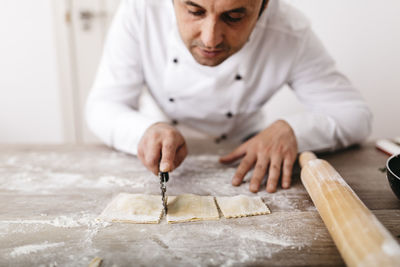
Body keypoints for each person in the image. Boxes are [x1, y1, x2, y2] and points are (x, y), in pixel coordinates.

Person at [86, 0, 372, 193]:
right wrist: (144, 131)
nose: (210, 39)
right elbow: (103, 105)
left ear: (264, 6)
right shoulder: (140, 11)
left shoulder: (289, 31)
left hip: (244, 160)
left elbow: (355, 115)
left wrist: (293, 130)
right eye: (195, 11)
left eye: (234, 16)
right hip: (151, 156)